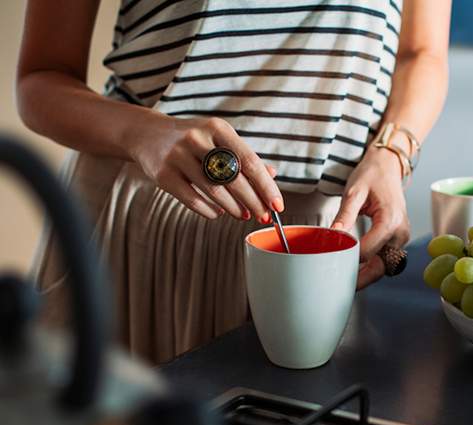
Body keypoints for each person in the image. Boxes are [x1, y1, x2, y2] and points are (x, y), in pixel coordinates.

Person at [17, 0, 450, 364]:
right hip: (141, 224)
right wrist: (144, 132)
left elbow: (423, 52)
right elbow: (39, 81)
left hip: (321, 242)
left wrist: (393, 153)